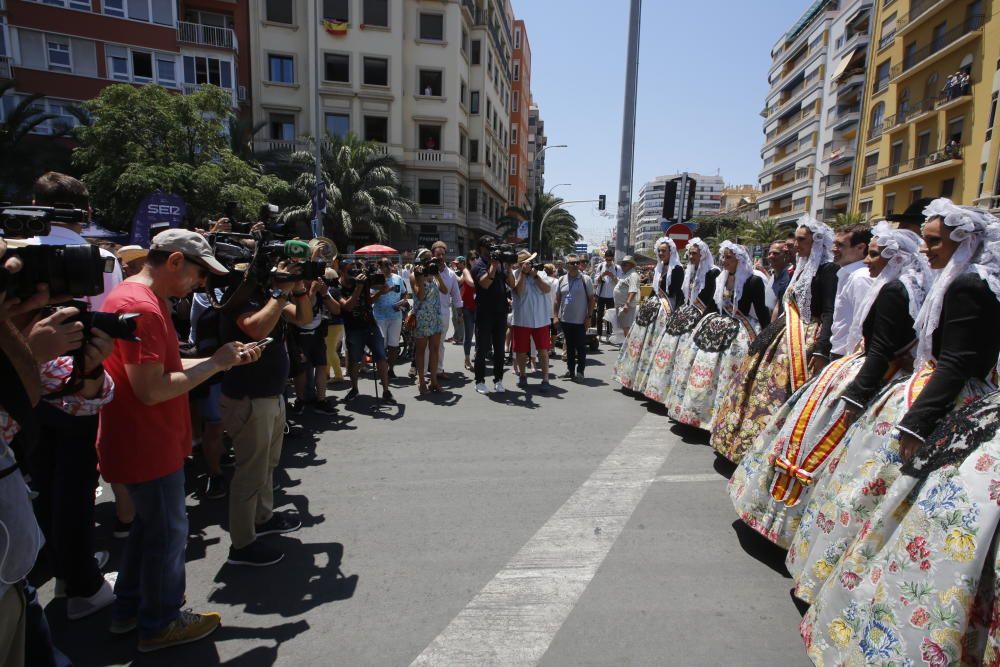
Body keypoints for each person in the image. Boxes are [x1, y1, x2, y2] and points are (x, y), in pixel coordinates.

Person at [798, 200, 1000, 665]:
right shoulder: (966, 281)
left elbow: (955, 361)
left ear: (964, 242)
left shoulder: (969, 285)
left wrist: (916, 421)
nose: (926, 248)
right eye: (925, 239)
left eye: (935, 240)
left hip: (948, 400)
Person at [97, 229, 263, 652]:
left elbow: (164, 367)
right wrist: (216, 364)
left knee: (149, 531)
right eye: (198, 273)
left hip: (143, 441)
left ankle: (130, 609)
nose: (201, 283)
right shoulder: (143, 307)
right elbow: (151, 389)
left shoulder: (136, 300)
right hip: (147, 444)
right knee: (169, 534)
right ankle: (160, 621)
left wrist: (218, 360)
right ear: (174, 262)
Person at [731, 224, 931, 551]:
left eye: (875, 253)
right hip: (878, 370)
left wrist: (850, 387)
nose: (869, 259)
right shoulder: (904, 285)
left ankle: (796, 523)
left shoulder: (889, 288)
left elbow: (869, 342)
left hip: (869, 372)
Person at [22, 172, 123, 622]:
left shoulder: (14, 254)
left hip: (20, 390)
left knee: (38, 480)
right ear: (85, 213)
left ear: (33, 204)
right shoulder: (99, 259)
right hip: (76, 387)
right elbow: (106, 321)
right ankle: (80, 582)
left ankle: (47, 561)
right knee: (77, 485)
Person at [710, 216, 839, 464]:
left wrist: (822, 349)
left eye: (801, 240)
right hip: (785, 334)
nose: (795, 245)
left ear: (817, 242)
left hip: (805, 339)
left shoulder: (827, 270)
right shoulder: (800, 268)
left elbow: (829, 311)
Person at [665, 241, 771, 429]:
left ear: (739, 259)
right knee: (701, 365)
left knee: (727, 371)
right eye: (723, 257)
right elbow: (713, 305)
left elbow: (761, 310)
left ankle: (722, 415)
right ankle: (695, 412)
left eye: (729, 257)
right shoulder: (720, 279)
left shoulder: (752, 281)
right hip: (717, 324)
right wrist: (699, 324)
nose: (724, 261)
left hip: (739, 330)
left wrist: (766, 337)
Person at [642, 238, 720, 404]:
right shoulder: (689, 271)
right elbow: (684, 296)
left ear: (703, 255)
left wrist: (696, 317)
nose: (690, 257)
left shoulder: (713, 272)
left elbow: (711, 299)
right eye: (689, 253)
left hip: (704, 317)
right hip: (688, 314)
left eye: (694, 254)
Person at [612, 237, 682, 390]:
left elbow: (677, 294)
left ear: (671, 252)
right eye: (659, 251)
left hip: (667, 309)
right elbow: (654, 290)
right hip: (654, 307)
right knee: (638, 341)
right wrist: (646, 305)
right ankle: (632, 377)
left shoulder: (677, 269)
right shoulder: (658, 267)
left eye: (664, 251)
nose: (661, 253)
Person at [331, 259, 395, 403]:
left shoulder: (362, 282)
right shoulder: (336, 287)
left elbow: (368, 300)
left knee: (381, 357)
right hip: (353, 329)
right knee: (354, 361)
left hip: (371, 325)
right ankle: (354, 389)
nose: (353, 273)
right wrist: (359, 287)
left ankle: (386, 390)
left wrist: (380, 292)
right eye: (349, 270)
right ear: (341, 271)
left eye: (354, 269)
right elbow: (347, 307)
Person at [471, 236, 516, 395]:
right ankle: (480, 381)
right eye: (489, 246)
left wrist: (509, 267)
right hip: (484, 312)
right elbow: (485, 283)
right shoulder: (478, 265)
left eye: (493, 246)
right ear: (481, 248)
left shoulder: (500, 264)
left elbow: (512, 284)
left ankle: (498, 380)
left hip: (500, 312)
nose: (492, 249)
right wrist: (493, 264)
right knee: (482, 349)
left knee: (499, 349)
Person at [289, 277, 337, 415]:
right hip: (300, 335)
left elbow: (336, 310)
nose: (311, 281)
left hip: (317, 335)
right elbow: (303, 313)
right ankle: (300, 400)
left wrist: (324, 293)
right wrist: (311, 292)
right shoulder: (295, 291)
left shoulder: (321, 291)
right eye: (308, 278)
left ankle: (321, 400)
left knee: (321, 366)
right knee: (301, 370)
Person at [828, 224, 874, 359]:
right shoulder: (847, 274)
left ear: (860, 248)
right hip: (840, 352)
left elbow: (863, 324)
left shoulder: (861, 277)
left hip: (850, 355)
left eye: (840, 245)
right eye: (834, 243)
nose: (833, 249)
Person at [511, 251, 553, 391]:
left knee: (543, 350)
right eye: (527, 262)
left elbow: (547, 289)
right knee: (521, 351)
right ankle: (523, 375)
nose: (530, 264)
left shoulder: (540, 273)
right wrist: (523, 274)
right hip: (522, 319)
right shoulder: (515, 274)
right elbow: (519, 292)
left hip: (540, 319)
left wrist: (536, 277)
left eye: (531, 262)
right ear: (521, 264)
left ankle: (545, 378)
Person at [554, 254, 596, 381]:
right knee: (569, 347)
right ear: (567, 265)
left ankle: (580, 372)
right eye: (573, 263)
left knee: (581, 347)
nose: (576, 265)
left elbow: (591, 299)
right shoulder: (561, 280)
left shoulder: (586, 279)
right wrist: (555, 316)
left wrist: (589, 317)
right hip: (566, 320)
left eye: (577, 263)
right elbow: (557, 299)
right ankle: (570, 370)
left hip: (580, 320)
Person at [411, 258, 448, 393]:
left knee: (435, 349)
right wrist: (420, 277)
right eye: (427, 261)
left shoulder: (433, 275)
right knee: (421, 350)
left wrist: (437, 275)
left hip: (435, 317)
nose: (430, 265)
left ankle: (434, 381)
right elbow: (420, 296)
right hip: (422, 319)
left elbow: (444, 290)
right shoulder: (414, 275)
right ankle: (421, 381)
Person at [372, 257, 407, 378]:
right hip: (380, 316)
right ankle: (382, 369)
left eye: (386, 265)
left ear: (391, 266)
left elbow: (404, 293)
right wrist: (381, 291)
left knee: (394, 345)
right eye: (381, 266)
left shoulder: (398, 278)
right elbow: (371, 298)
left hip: (395, 316)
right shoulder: (375, 280)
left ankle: (391, 369)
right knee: (381, 345)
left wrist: (402, 302)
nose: (384, 268)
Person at [594, 250, 620, 339]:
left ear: (613, 258)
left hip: (611, 295)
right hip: (601, 294)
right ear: (605, 258)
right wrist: (602, 275)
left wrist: (612, 276)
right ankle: (599, 334)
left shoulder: (617, 268)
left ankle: (609, 333)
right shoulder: (601, 266)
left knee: (610, 315)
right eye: (607, 259)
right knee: (599, 315)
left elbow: (619, 283)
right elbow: (596, 281)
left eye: (610, 260)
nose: (608, 261)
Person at [612, 256, 640, 337]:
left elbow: (633, 290)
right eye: (622, 264)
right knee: (625, 327)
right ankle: (627, 346)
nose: (622, 266)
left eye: (625, 264)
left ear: (631, 265)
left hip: (627, 306)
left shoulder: (633, 274)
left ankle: (629, 347)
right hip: (622, 305)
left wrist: (627, 303)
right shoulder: (625, 274)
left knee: (627, 328)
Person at [459, 253, 477, 371]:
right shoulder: (466, 271)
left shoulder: (481, 269)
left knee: (480, 334)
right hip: (467, 307)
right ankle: (467, 358)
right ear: (468, 261)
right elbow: (470, 283)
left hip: (479, 307)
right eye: (472, 259)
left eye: (477, 258)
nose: (475, 260)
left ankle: (477, 355)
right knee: (469, 334)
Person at [767, 241, 792, 306]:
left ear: (786, 255)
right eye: (769, 253)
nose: (771, 256)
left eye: (775, 253)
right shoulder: (774, 276)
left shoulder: (789, 278)